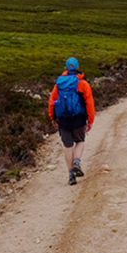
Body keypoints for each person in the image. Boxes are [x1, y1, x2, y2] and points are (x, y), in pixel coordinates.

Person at [48, 56, 95, 185]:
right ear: (78, 67)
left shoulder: (59, 84)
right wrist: (90, 120)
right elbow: (89, 103)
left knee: (68, 146)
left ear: (65, 68)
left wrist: (53, 117)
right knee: (80, 141)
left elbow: (52, 101)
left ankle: (70, 174)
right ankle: (77, 161)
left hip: (63, 119)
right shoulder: (83, 84)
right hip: (79, 118)